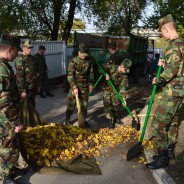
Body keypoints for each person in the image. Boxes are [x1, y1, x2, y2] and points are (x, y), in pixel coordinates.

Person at [146, 14, 184, 170]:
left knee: (158, 125)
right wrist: (165, 62)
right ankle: (169, 152)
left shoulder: (175, 45)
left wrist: (158, 79)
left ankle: (162, 157)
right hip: (180, 92)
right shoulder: (182, 43)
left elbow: (172, 71)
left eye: (162, 32)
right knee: (173, 123)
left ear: (166, 28)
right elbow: (178, 65)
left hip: (172, 92)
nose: (162, 35)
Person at [0, 33, 25, 184]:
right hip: (5, 118)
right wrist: (16, 122)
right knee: (8, 147)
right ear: (10, 49)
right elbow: (4, 103)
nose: (17, 55)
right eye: (17, 52)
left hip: (5, 116)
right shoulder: (2, 70)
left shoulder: (4, 66)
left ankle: (10, 168)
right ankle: (5, 177)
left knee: (7, 145)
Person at [65, 44, 94, 127]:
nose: (84, 56)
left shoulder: (89, 60)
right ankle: (67, 119)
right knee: (72, 104)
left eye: (85, 55)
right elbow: (70, 76)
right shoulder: (73, 61)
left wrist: (91, 83)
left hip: (84, 86)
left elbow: (90, 73)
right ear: (78, 52)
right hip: (75, 86)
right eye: (82, 54)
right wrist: (74, 87)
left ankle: (83, 120)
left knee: (84, 105)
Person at [102, 42, 127, 128]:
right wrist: (105, 74)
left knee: (117, 105)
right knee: (108, 105)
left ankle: (116, 118)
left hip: (116, 89)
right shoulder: (111, 67)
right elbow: (100, 68)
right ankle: (110, 122)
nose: (125, 72)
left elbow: (123, 87)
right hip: (107, 88)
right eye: (125, 70)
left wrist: (123, 98)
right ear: (122, 66)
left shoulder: (124, 75)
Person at [15, 39, 39, 107]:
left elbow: (35, 72)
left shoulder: (32, 58)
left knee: (32, 106)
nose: (30, 50)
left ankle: (31, 118)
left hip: (32, 88)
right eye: (28, 48)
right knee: (24, 108)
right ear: (23, 48)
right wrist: (22, 91)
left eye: (30, 48)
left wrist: (38, 85)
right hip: (25, 89)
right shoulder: (20, 60)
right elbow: (19, 77)